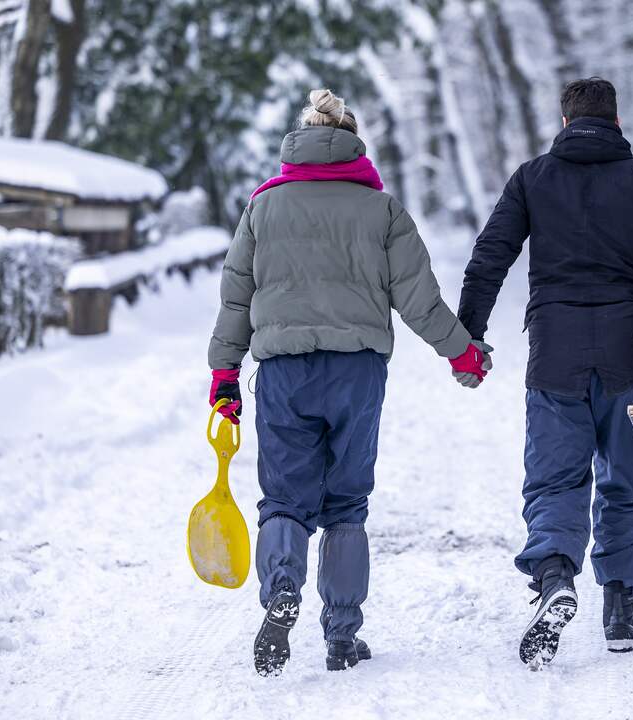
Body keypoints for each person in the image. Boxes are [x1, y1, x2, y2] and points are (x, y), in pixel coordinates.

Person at [207, 89, 492, 677]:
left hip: (284, 370)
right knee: (346, 502)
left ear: (300, 140)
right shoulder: (381, 210)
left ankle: (282, 589)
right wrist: (462, 354)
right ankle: (341, 633)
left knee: (285, 496)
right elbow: (419, 300)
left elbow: (237, 294)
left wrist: (224, 372)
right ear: (352, 143)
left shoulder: (263, 207)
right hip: (357, 371)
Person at [457, 77, 633, 667]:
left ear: (564, 121)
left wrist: (469, 334)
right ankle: (619, 608)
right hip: (628, 353)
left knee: (554, 479)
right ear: (617, 122)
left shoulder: (532, 178)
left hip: (555, 354)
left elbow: (489, 258)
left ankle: (554, 579)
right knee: (623, 478)